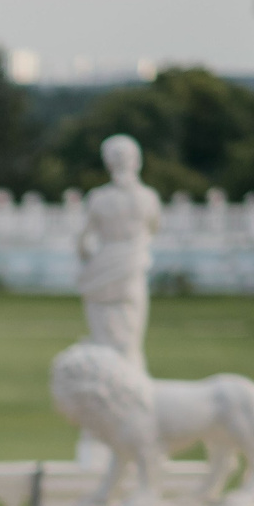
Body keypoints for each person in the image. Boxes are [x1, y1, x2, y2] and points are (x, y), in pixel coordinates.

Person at [76, 134, 162, 373]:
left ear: (108, 163)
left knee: (103, 337)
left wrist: (90, 260)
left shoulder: (99, 198)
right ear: (137, 161)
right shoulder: (148, 198)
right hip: (131, 265)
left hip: (102, 267)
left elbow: (83, 242)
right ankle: (131, 383)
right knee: (131, 339)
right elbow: (154, 229)